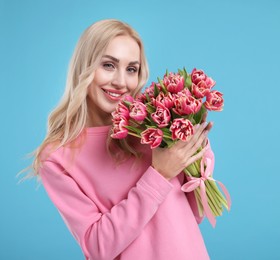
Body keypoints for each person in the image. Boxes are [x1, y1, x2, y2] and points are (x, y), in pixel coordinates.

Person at [30, 19, 213, 260]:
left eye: (131, 69)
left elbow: (194, 215)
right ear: (84, 68)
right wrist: (159, 175)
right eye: (108, 65)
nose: (120, 82)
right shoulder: (58, 157)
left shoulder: (152, 128)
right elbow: (98, 248)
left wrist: (198, 156)